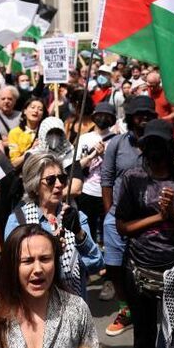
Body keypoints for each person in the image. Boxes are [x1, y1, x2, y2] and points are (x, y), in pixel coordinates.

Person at [116, 119, 174, 348]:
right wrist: (158, 217)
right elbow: (122, 227)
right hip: (139, 269)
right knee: (143, 340)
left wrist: (172, 213)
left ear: (170, 147)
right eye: (150, 143)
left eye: (159, 144)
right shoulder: (133, 178)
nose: (154, 150)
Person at [0, 224, 100, 348]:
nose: (38, 269)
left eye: (45, 259)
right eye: (27, 261)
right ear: (12, 266)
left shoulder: (76, 309)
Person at [4, 152, 103, 298]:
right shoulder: (18, 220)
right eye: (51, 180)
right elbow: (11, 271)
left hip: (73, 306)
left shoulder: (75, 217)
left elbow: (95, 264)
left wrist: (79, 234)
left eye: (62, 178)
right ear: (34, 185)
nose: (59, 185)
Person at [99, 94, 156, 337]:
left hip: (148, 217)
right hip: (117, 217)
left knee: (146, 266)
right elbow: (107, 179)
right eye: (139, 115)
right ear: (131, 118)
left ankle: (148, 309)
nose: (143, 119)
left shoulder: (158, 143)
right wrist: (110, 212)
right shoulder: (116, 144)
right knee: (115, 267)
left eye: (147, 115)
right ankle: (126, 310)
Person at [75, 102, 117, 247]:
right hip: (87, 190)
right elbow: (77, 166)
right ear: (94, 117)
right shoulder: (84, 138)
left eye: (107, 116)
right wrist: (93, 156)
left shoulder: (117, 140)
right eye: (100, 115)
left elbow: (119, 166)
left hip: (108, 192)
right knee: (88, 227)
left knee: (108, 228)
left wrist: (105, 154)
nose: (103, 119)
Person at [6, 98, 45, 167]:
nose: (36, 111)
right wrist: (32, 151)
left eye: (40, 109)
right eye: (32, 107)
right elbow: (14, 164)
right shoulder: (14, 133)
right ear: (25, 111)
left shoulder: (46, 133)